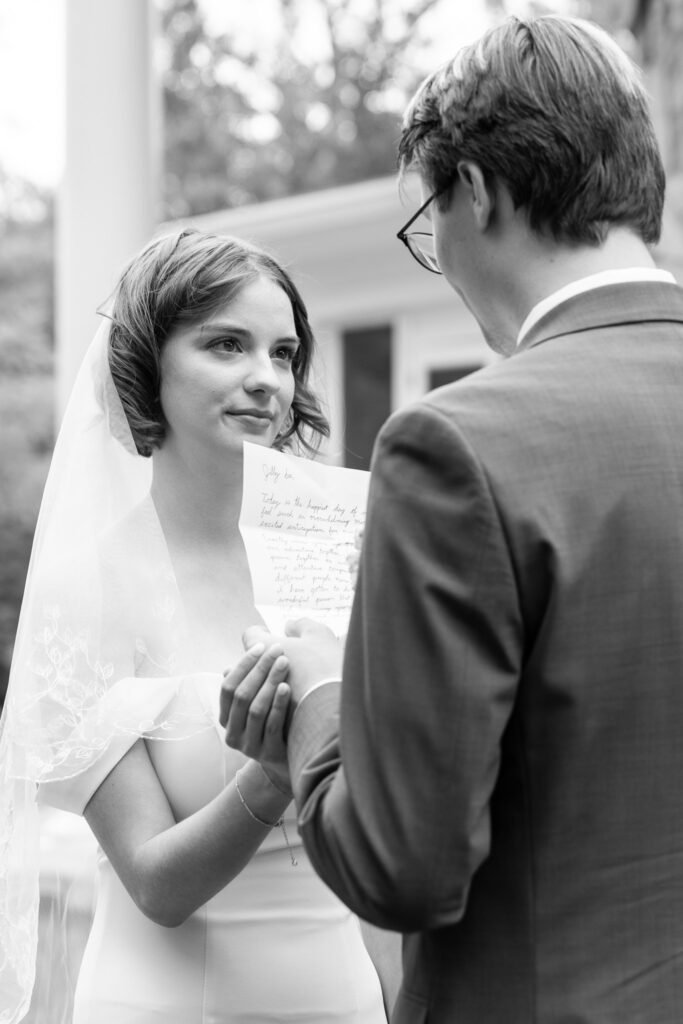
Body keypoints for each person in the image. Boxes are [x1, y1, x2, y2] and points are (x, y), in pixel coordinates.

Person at [220, 14, 683, 1024]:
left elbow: (403, 867)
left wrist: (318, 693)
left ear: (469, 191)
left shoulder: (455, 444)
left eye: (426, 219)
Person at [0, 228, 393, 1023]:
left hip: (343, 997)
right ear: (149, 365)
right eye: (226, 345)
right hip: (166, 1001)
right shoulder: (92, 588)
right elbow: (155, 882)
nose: (266, 380)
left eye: (283, 354)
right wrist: (276, 773)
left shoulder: (349, 548)